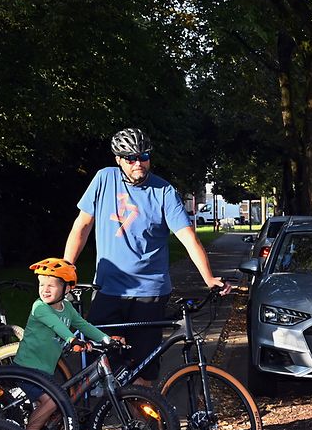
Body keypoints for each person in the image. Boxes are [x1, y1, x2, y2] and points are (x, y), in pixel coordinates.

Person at [64, 128, 228, 383]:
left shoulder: (164, 191)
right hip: (108, 289)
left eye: (143, 156)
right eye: (130, 158)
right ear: (118, 160)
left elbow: (188, 238)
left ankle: (140, 407)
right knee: (99, 363)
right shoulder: (104, 179)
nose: (138, 163)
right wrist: (66, 267)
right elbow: (82, 226)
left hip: (149, 293)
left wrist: (208, 278)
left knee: (144, 369)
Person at [14, 258, 114, 430]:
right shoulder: (40, 307)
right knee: (52, 402)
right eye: (41, 285)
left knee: (51, 404)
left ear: (66, 289)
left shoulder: (67, 308)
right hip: (27, 369)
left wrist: (106, 339)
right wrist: (72, 339)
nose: (44, 290)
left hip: (45, 371)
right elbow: (56, 325)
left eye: (50, 286)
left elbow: (83, 325)